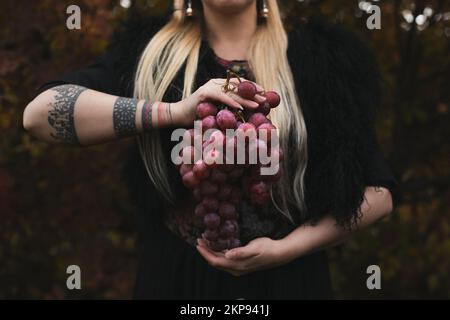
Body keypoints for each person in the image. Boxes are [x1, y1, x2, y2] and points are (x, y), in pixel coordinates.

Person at [22, 0, 396, 299]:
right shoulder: (150, 56)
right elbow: (39, 115)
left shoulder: (321, 59)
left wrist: (287, 249)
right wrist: (175, 111)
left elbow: (378, 194)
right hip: (174, 281)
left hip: (291, 280)